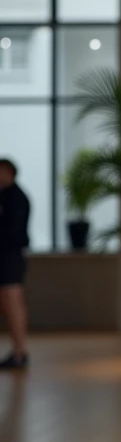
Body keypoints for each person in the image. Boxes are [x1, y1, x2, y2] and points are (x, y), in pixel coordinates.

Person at [0, 158, 30, 371]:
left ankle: (20, 351)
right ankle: (17, 351)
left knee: (13, 301)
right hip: (5, 256)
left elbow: (13, 232)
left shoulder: (17, 199)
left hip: (10, 257)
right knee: (8, 303)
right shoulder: (5, 196)